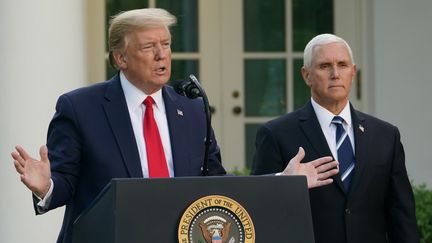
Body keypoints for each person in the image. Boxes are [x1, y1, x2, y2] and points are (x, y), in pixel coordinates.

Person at [11, 9, 338, 243]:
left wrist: (283, 181)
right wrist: (46, 187)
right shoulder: (80, 107)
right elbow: (64, 184)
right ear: (120, 58)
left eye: (165, 45)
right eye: (147, 47)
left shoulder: (191, 109)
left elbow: (216, 184)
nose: (160, 55)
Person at [251, 33, 420, 243]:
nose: (335, 73)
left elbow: (401, 215)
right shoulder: (277, 134)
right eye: (324, 66)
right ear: (306, 75)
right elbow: (258, 212)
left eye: (342, 65)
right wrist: (285, 185)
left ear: (353, 72)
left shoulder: (386, 135)